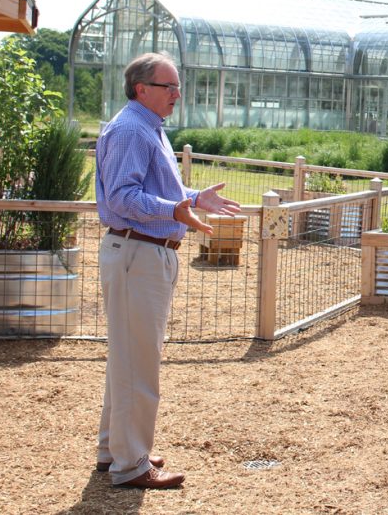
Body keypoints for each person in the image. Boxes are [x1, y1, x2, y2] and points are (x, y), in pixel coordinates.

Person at [95, 53, 241, 489]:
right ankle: (131, 464)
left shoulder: (147, 128)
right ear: (142, 88)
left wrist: (192, 198)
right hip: (138, 253)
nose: (177, 94)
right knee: (138, 362)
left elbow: (153, 191)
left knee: (130, 358)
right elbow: (123, 198)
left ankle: (115, 449)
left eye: (177, 86)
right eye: (169, 86)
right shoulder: (130, 130)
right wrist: (179, 206)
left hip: (145, 252)